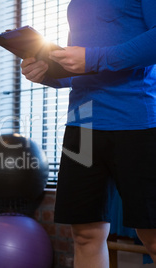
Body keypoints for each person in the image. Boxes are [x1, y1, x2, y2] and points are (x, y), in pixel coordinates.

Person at [20, 1, 156, 267]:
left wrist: (92, 58)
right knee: (84, 235)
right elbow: (81, 69)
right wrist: (48, 74)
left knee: (152, 236)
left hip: (137, 123)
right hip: (81, 126)